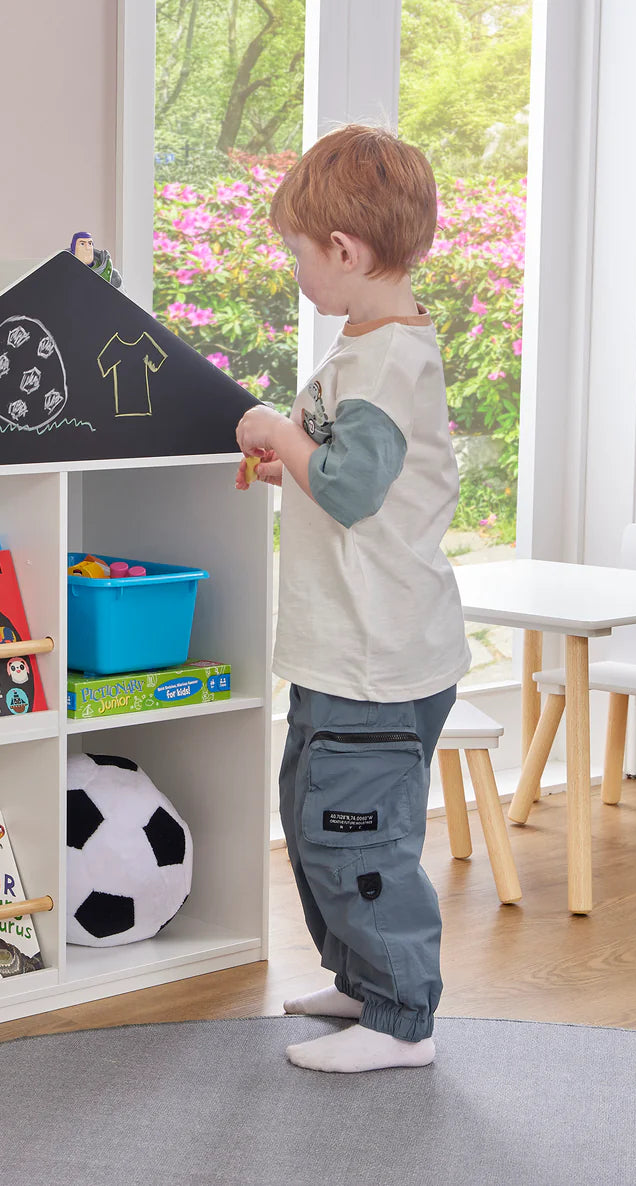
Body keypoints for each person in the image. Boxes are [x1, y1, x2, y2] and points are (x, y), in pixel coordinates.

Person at [235, 124, 471, 1073]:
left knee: (357, 839)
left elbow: (349, 486)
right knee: (315, 813)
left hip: (376, 659)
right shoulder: (371, 349)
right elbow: (349, 477)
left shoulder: (385, 363)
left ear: (345, 250)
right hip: (356, 650)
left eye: (298, 252)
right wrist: (287, 460)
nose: (296, 270)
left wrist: (274, 433)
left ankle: (402, 1019)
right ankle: (362, 980)